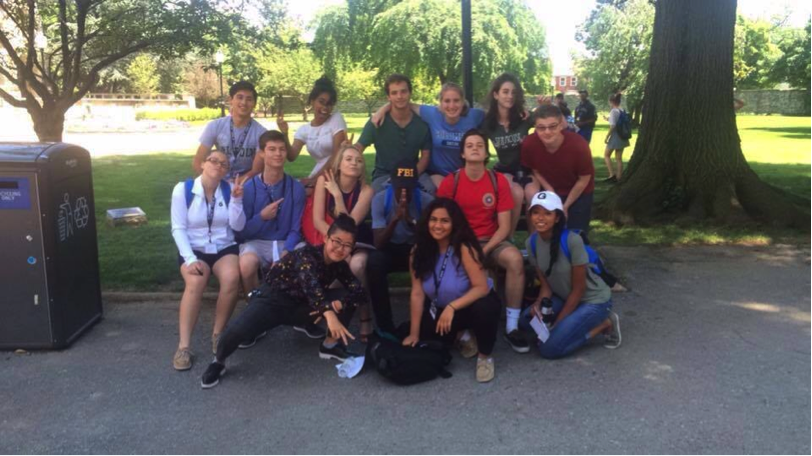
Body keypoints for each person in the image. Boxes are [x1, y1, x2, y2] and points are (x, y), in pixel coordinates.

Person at [201, 215, 368, 389]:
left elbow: (360, 292)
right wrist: (330, 314)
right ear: (326, 237)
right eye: (337, 241)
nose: (340, 249)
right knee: (234, 332)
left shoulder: (339, 265)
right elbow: (311, 286)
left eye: (347, 245)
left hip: (304, 307)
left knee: (344, 297)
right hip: (272, 301)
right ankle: (218, 362)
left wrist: (339, 304)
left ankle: (330, 345)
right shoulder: (306, 254)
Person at [436, 129, 529, 354]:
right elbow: (442, 224)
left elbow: (505, 227)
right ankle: (470, 328)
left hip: (492, 240)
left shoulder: (497, 181)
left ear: (487, 152)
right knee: (483, 280)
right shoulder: (451, 182)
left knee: (515, 259)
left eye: (480, 145)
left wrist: (484, 250)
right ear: (463, 154)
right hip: (461, 241)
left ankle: (511, 326)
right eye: (470, 145)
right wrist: (468, 250)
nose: (475, 148)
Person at [230, 130, 324, 343]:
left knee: (306, 261)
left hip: (285, 241)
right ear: (261, 153)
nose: (278, 154)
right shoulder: (249, 188)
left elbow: (294, 228)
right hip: (256, 241)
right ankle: (254, 318)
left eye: (282, 149)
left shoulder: (295, 188)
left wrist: (285, 252)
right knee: (246, 264)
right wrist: (261, 217)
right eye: (271, 149)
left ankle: (302, 317)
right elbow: (241, 232)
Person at [403, 198, 501, 383]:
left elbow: (481, 288)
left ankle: (485, 356)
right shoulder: (418, 251)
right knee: (425, 338)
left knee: (485, 308)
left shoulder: (464, 248)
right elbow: (417, 293)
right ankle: (460, 335)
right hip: (440, 308)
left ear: (454, 223)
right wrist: (414, 333)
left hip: (470, 304)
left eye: (444, 221)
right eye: (434, 219)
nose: (437, 225)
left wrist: (451, 307)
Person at [521, 191, 621, 359]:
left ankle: (604, 324)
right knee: (526, 321)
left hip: (592, 300)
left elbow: (579, 290)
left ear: (557, 218)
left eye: (547, 213)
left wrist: (557, 324)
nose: (540, 217)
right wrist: (538, 305)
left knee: (549, 349)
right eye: (536, 212)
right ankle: (565, 328)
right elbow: (545, 284)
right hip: (563, 296)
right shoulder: (531, 242)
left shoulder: (572, 241)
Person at [170, 150, 242, 371]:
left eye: (224, 164)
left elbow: (238, 227)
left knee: (231, 277)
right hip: (194, 249)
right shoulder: (183, 190)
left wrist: (237, 201)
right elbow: (178, 228)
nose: (218, 166)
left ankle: (218, 333)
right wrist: (190, 260)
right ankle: (184, 346)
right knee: (195, 282)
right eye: (213, 161)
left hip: (223, 246)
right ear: (202, 164)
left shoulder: (229, 190)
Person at [372, 82, 486, 192]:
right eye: (447, 101)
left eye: (456, 100)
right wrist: (382, 110)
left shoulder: (474, 116)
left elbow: (496, 115)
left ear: (462, 102)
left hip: (464, 172)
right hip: (437, 173)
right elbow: (404, 103)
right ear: (440, 103)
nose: (451, 105)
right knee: (446, 191)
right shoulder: (432, 114)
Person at [311, 144, 375, 339]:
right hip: (330, 239)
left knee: (357, 264)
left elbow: (350, 227)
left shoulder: (366, 191)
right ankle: (328, 313)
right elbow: (317, 220)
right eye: (348, 159)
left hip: (357, 241)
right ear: (339, 164)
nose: (354, 163)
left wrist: (337, 196)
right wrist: (336, 244)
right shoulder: (324, 180)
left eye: (358, 160)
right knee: (329, 263)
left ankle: (364, 317)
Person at [366, 160, 434, 335]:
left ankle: (424, 323)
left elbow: (429, 240)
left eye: (409, 187)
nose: (404, 191)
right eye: (400, 187)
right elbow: (379, 243)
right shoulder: (380, 199)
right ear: (392, 183)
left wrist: (410, 220)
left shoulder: (426, 201)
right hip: (390, 248)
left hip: (415, 247)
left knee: (429, 260)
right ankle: (384, 326)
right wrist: (395, 219)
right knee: (374, 263)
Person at [521, 105, 596, 234]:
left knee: (575, 237)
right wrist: (551, 192)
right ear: (535, 128)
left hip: (578, 192)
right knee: (547, 236)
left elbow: (584, 179)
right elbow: (535, 170)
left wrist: (564, 206)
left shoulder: (579, 144)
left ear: (561, 125)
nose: (547, 132)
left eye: (552, 126)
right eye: (541, 127)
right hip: (551, 190)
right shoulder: (529, 143)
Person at [355, 74, 432, 193]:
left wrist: (411, 175)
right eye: (394, 93)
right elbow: (358, 148)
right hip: (384, 174)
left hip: (413, 171)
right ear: (388, 97)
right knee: (375, 197)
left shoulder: (422, 124)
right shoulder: (376, 121)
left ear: (410, 93)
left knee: (430, 189)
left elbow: (425, 156)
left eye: (403, 92)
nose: (399, 96)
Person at [480, 73, 535, 238]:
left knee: (533, 196)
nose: (510, 96)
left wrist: (543, 107)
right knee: (516, 193)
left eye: (513, 92)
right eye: (505, 91)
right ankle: (508, 239)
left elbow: (550, 120)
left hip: (528, 168)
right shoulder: (488, 123)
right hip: (505, 169)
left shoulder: (523, 118)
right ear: (496, 94)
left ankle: (534, 245)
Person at [278, 77, 348, 188]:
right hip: (319, 173)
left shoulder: (336, 119)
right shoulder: (305, 130)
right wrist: (284, 133)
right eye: (321, 102)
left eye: (329, 104)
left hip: (338, 171)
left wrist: (315, 179)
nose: (325, 107)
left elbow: (337, 155)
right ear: (312, 101)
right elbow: (291, 156)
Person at [193, 81, 266, 182]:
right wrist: (212, 183)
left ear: (254, 104)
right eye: (239, 97)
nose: (244, 102)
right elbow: (198, 160)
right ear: (231, 100)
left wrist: (235, 184)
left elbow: (257, 170)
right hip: (217, 182)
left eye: (249, 99)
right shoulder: (215, 126)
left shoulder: (261, 133)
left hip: (246, 185)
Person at [603, 93, 630, 183]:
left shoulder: (614, 111)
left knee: (606, 155)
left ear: (611, 101)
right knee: (619, 158)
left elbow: (613, 126)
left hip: (615, 136)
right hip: (623, 135)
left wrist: (607, 136)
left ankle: (612, 175)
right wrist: (607, 119)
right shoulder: (621, 110)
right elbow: (617, 121)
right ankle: (619, 177)